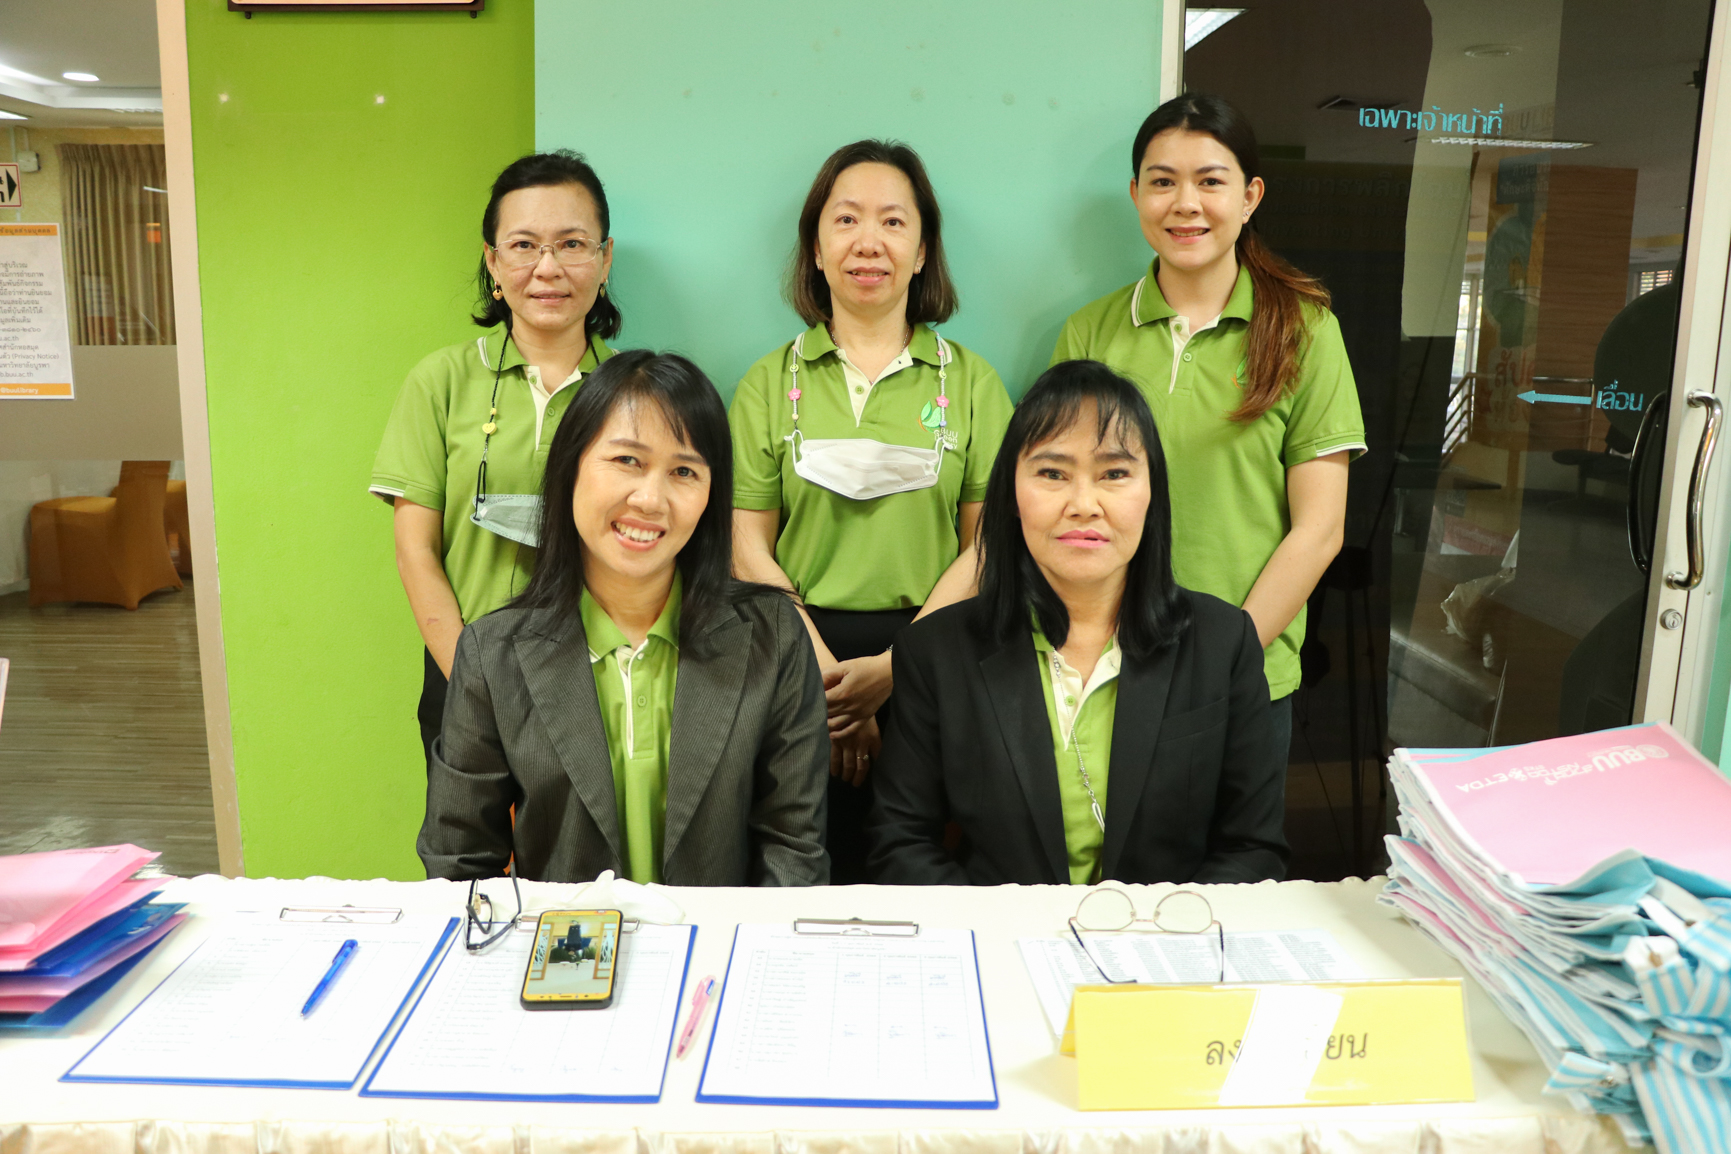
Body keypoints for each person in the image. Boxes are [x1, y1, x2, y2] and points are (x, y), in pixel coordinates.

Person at [867, 360, 1288, 886]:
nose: (1084, 505)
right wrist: (1005, 929)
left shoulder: (1223, 642)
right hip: (1003, 933)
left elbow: (1253, 848)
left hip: (1171, 932)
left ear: (1151, 492)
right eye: (1052, 474)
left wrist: (1163, 927)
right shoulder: (936, 651)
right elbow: (900, 844)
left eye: (1114, 473)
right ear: (1011, 495)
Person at [418, 351, 830, 885]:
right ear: (571, 467)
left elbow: (794, 851)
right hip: (565, 940)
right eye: (627, 460)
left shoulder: (772, 636)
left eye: (684, 471)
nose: (650, 499)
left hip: (719, 939)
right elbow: (459, 866)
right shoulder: (492, 653)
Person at [728, 140, 1014, 881]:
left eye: (892, 222)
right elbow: (745, 545)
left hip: (935, 653)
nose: (868, 242)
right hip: (794, 654)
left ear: (922, 252)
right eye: (846, 219)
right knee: (800, 865)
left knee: (916, 867)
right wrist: (824, 684)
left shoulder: (973, 383)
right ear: (815, 249)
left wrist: (896, 669)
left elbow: (988, 547)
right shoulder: (766, 383)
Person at [1051, 94, 1365, 756]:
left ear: (1250, 197)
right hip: (1104, 671)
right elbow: (1062, 506)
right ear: (1136, 195)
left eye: (1210, 182)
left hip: (1243, 676)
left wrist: (1224, 657)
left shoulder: (1306, 332)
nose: (1185, 204)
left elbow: (1319, 530)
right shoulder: (1088, 332)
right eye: (1163, 182)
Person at [371, 151, 620, 775]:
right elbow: (415, 551)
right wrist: (475, 683)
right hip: (464, 665)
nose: (548, 267)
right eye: (524, 245)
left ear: (604, 259)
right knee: (471, 838)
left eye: (572, 244)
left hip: (602, 678)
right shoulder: (441, 381)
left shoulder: (634, 391)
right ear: (493, 262)